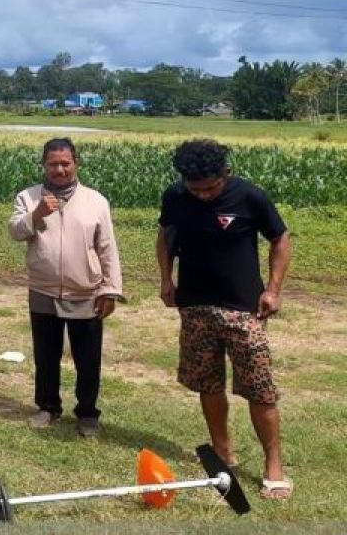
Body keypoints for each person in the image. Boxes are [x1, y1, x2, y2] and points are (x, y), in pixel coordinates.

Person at [158, 139, 292, 500]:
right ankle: (222, 452)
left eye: (210, 188)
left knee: (259, 388)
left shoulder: (250, 196)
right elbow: (166, 235)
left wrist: (274, 290)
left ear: (225, 174)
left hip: (244, 310)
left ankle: (273, 465)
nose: (202, 195)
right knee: (208, 383)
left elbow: (280, 238)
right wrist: (166, 278)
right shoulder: (175, 196)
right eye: (195, 189)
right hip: (196, 308)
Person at [8, 138, 124, 438]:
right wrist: (36, 215)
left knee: (88, 358)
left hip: (85, 290)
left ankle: (87, 413)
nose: (59, 169)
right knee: (45, 355)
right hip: (43, 289)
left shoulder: (95, 200)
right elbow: (15, 231)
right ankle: (48, 406)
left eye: (65, 163)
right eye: (52, 164)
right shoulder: (29, 197)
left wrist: (110, 288)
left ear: (75, 164)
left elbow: (107, 247)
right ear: (43, 165)